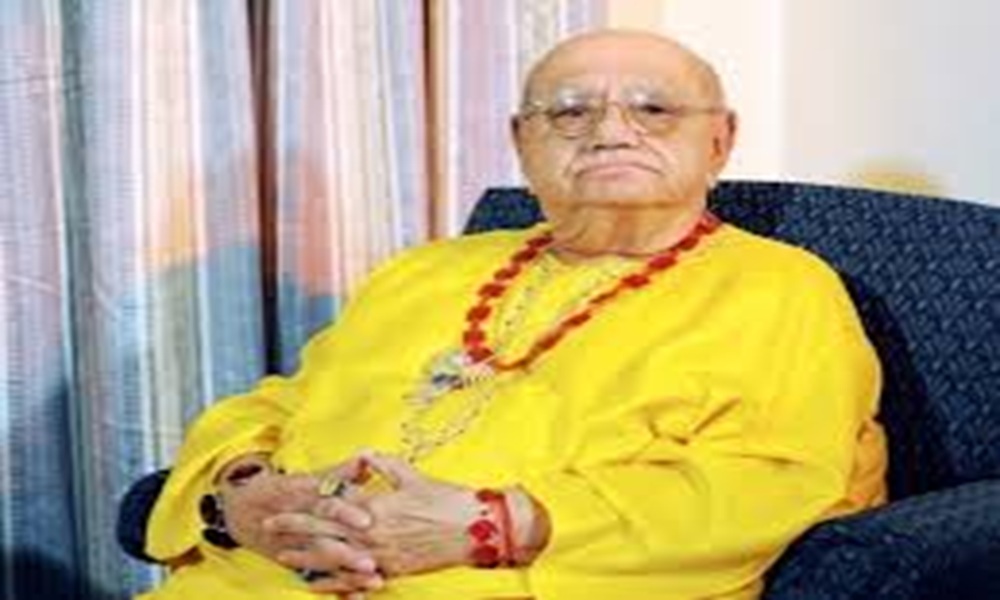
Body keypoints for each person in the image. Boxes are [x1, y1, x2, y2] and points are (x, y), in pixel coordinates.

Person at [139, 29, 887, 600]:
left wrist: (499, 523)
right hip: (270, 577)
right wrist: (241, 492)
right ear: (521, 144)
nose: (610, 131)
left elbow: (775, 483)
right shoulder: (425, 269)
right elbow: (289, 400)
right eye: (569, 112)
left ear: (719, 141)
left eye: (654, 110)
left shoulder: (782, 289)